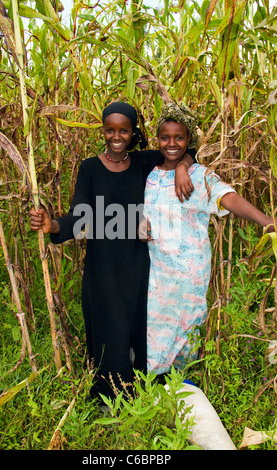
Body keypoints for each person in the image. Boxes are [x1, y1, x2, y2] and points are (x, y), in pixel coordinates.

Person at [29, 101, 197, 404]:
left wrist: (183, 168)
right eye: (110, 129)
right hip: (103, 268)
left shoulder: (144, 162)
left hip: (140, 266)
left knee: (139, 330)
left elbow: (182, 149)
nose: (116, 136)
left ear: (133, 133)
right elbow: (80, 217)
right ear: (103, 131)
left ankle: (143, 397)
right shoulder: (90, 169)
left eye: (123, 130)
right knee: (112, 332)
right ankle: (111, 401)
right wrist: (52, 224)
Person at [142, 102, 276, 376]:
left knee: (187, 329)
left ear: (188, 139)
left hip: (189, 275)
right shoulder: (149, 175)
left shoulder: (198, 175)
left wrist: (268, 222)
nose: (171, 143)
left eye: (179, 138)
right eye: (165, 137)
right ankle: (156, 389)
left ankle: (186, 388)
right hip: (156, 274)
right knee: (155, 329)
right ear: (157, 139)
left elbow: (227, 197)